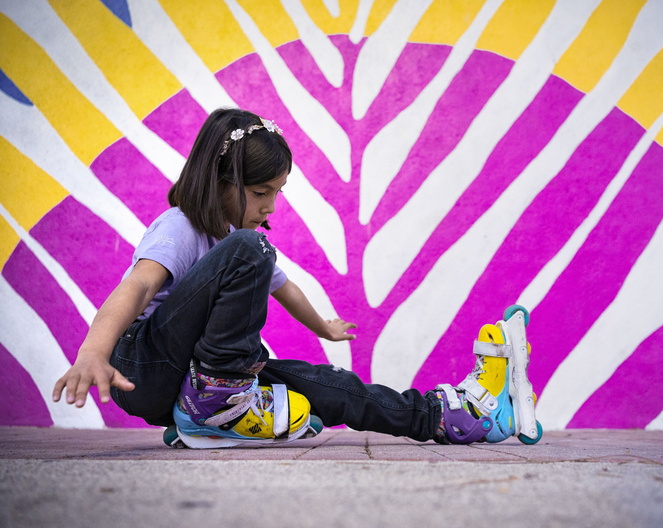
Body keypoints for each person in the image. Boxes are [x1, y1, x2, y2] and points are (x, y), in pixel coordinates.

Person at [52, 108, 540, 448]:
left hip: (194, 381)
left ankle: (457, 416)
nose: (270, 206)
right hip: (144, 367)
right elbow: (136, 287)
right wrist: (93, 352)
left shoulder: (237, 240)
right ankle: (219, 400)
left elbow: (284, 289)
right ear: (219, 180)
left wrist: (323, 328)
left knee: (333, 388)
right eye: (262, 191)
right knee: (253, 248)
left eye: (278, 191)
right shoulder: (183, 229)